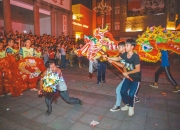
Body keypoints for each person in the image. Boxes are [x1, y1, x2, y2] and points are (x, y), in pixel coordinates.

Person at [108, 39, 141, 116]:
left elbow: (138, 69)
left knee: (131, 94)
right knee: (122, 91)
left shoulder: (135, 57)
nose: (125, 47)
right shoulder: (124, 55)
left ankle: (131, 106)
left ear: (132, 47)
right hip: (127, 78)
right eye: (125, 45)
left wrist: (127, 73)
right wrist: (109, 58)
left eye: (127, 45)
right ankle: (127, 104)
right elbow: (118, 59)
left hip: (135, 78)